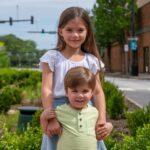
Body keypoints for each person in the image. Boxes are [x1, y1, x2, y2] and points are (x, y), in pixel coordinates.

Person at [40, 6, 113, 150]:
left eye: (80, 30)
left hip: (86, 112)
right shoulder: (52, 58)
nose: (75, 35)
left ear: (87, 32)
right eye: (69, 30)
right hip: (59, 114)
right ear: (60, 31)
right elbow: (47, 89)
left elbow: (98, 92)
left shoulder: (91, 61)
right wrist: (51, 117)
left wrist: (101, 120)